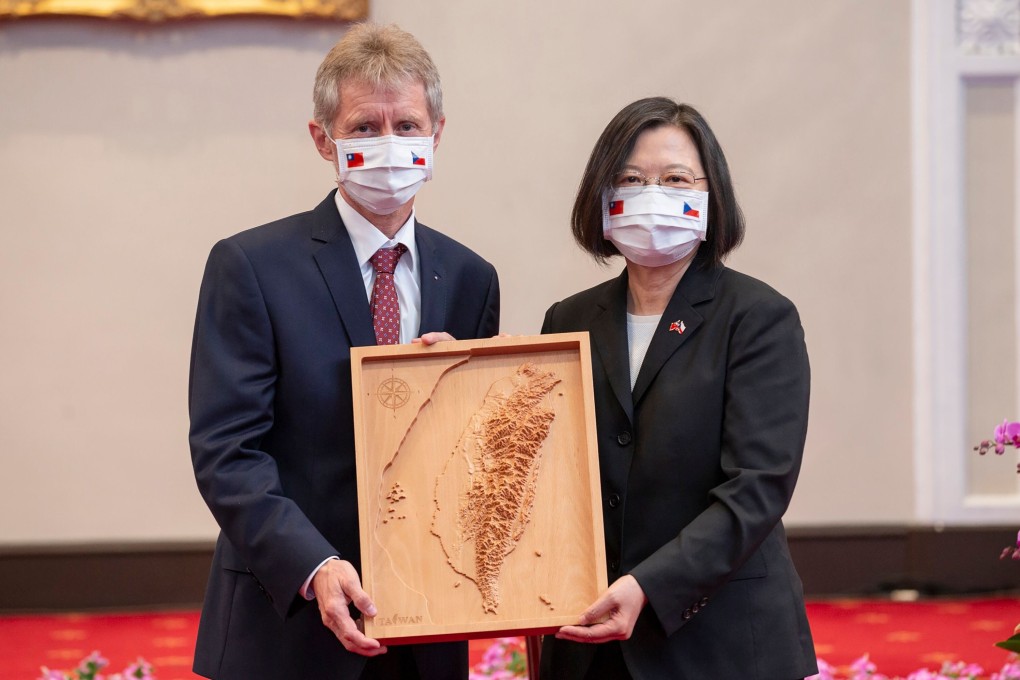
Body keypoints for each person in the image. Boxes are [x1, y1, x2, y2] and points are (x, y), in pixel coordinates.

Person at [188, 23, 499, 680]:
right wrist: (313, 565)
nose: (389, 142)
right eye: (364, 127)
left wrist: (467, 403)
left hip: (428, 627)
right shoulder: (251, 266)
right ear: (321, 138)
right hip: (288, 624)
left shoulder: (472, 277)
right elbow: (227, 452)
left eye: (408, 125)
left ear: (437, 133)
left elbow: (477, 466)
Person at [539, 98, 817, 679]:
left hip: (721, 643)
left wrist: (648, 585)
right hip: (592, 643)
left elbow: (758, 488)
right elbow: (545, 472)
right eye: (631, 179)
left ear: (710, 195)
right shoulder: (568, 321)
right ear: (601, 196)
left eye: (675, 179)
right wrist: (458, 371)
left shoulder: (758, 316)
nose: (652, 194)